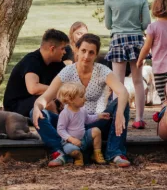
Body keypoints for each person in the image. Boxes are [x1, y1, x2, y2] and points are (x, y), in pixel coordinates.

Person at [33, 33, 132, 168]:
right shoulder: (67, 71)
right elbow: (45, 97)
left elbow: (123, 91)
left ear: (96, 55)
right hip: (70, 124)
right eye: (83, 51)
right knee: (37, 112)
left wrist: (119, 112)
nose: (86, 56)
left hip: (96, 121)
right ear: (76, 50)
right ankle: (60, 152)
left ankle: (114, 153)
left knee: (122, 104)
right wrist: (37, 106)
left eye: (91, 52)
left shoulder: (102, 71)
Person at [104, 0, 151, 128]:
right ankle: (139, 118)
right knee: (138, 81)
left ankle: (120, 117)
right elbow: (146, 23)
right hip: (137, 40)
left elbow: (108, 25)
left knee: (118, 82)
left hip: (118, 40)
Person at [2, 29, 71, 118]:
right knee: (47, 102)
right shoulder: (32, 60)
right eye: (63, 48)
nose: (65, 52)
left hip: (34, 100)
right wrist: (59, 91)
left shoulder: (56, 62)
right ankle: (60, 125)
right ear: (52, 49)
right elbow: (33, 88)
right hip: (16, 106)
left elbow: (69, 82)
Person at [56, 83, 108, 165]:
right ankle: (78, 157)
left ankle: (96, 153)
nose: (85, 99)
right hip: (70, 142)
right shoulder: (65, 113)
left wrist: (99, 116)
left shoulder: (82, 110)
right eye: (81, 97)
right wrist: (71, 139)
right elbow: (60, 129)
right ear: (71, 100)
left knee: (96, 131)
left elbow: (87, 119)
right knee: (72, 150)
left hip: (84, 139)